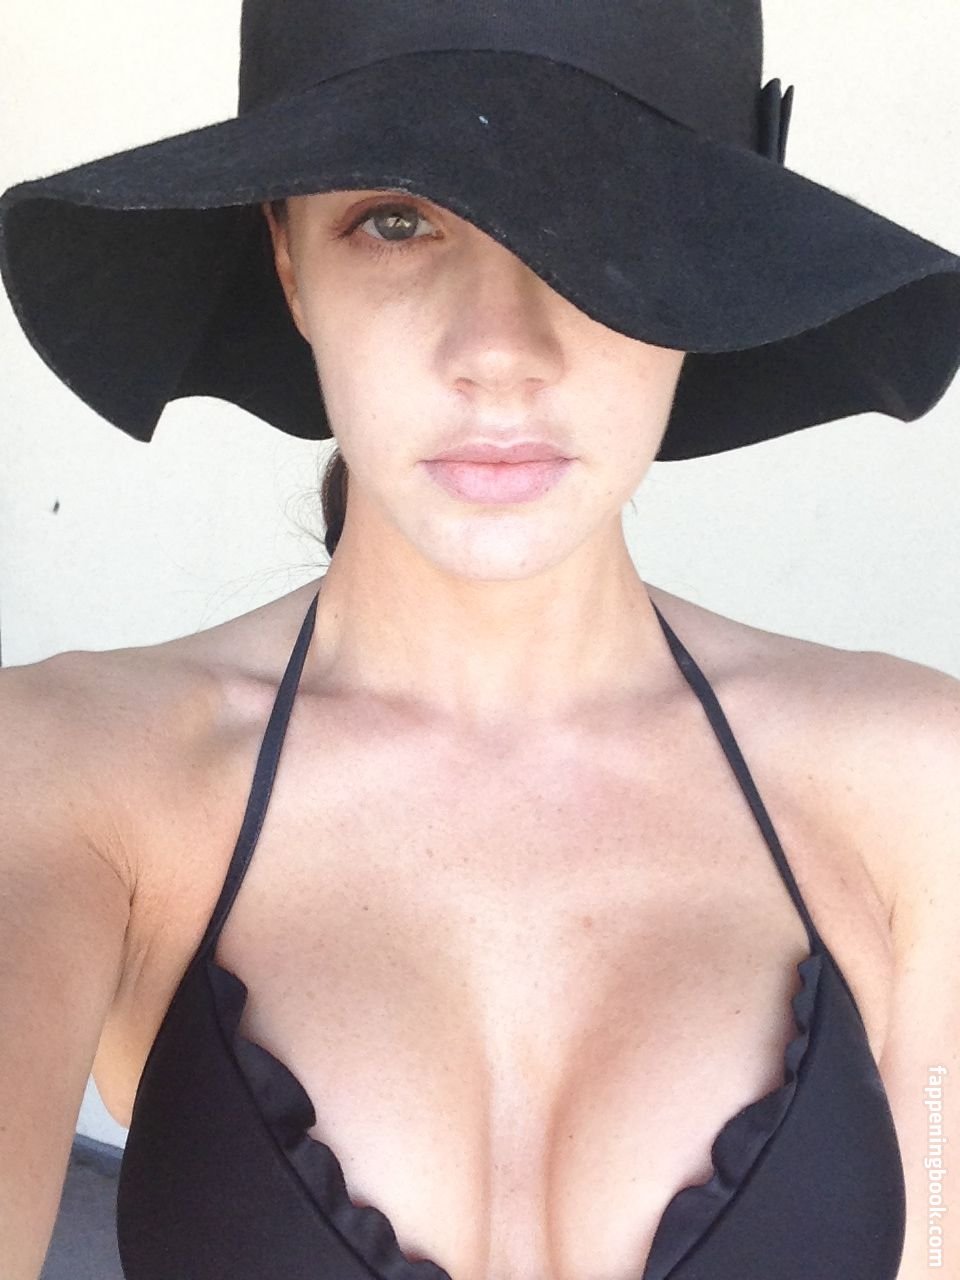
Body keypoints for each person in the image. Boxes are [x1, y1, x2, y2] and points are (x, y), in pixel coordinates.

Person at [1, 4, 958, 1279]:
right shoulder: (68, 779)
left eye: (603, 213)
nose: (500, 352)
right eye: (396, 221)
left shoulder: (920, 791)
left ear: (707, 262)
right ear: (288, 261)